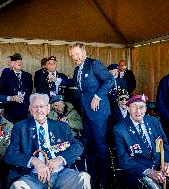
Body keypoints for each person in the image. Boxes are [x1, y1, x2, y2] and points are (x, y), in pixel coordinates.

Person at [4, 93, 90, 189]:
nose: (39, 110)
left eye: (42, 106)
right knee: (18, 186)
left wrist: (60, 159)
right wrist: (34, 161)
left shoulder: (61, 127)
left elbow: (78, 146)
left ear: (48, 108)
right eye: (35, 107)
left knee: (83, 178)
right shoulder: (20, 128)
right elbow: (10, 155)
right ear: (30, 109)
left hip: (61, 174)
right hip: (33, 177)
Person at [113, 94, 169, 188]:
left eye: (141, 107)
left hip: (161, 169)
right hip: (139, 173)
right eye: (134, 107)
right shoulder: (120, 129)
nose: (138, 111)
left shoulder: (154, 121)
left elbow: (164, 146)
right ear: (128, 109)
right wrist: (149, 172)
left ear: (145, 109)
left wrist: (167, 164)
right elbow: (125, 161)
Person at [69, 43, 114, 188]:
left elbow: (109, 80)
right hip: (86, 114)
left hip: (99, 113)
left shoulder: (94, 64)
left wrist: (98, 96)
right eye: (72, 56)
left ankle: (104, 180)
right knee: (90, 147)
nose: (75, 58)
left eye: (77, 54)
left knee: (101, 146)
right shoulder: (77, 70)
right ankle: (92, 178)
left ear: (84, 52)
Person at [0, 53, 33, 123]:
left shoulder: (27, 75)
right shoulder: (6, 76)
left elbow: (30, 91)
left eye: (20, 62)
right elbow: (1, 92)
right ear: (12, 63)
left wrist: (30, 104)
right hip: (11, 108)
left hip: (24, 109)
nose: (19, 63)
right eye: (17, 62)